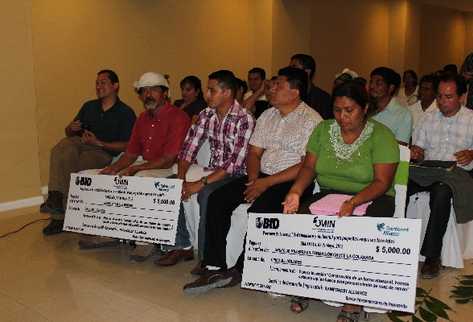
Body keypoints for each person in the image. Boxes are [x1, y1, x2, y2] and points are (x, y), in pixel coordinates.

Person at [182, 67, 322, 295]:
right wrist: (255, 180)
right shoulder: (268, 115)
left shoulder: (311, 120)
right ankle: (214, 265)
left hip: (292, 180)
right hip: (261, 175)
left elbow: (307, 165)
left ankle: (241, 269)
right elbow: (254, 153)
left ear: (295, 91)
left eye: (279, 85)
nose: (272, 89)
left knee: (262, 208)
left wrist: (266, 184)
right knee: (217, 198)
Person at [283, 80, 399, 320]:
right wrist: (295, 191)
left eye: (349, 110)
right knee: (300, 224)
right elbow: (308, 168)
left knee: (359, 233)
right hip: (329, 193)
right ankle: (308, 285)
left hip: (373, 196)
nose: (343, 117)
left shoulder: (382, 135)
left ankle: (353, 300)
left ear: (365, 108)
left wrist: (354, 202)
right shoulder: (323, 130)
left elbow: (382, 182)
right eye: (337, 110)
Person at [78, 72, 191, 259]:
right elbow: (130, 153)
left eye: (154, 90)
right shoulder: (142, 118)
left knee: (140, 178)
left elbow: (170, 158)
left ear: (165, 93)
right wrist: (113, 169)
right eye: (143, 91)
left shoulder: (178, 117)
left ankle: (144, 243)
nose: (148, 94)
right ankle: (109, 233)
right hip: (148, 163)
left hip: (171, 167)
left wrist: (136, 168)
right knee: (103, 176)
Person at [156, 70, 255, 267]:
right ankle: (181, 245)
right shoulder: (206, 114)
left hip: (237, 175)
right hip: (214, 170)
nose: (206, 95)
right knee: (168, 185)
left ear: (227, 93)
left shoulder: (244, 119)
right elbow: (188, 148)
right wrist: (181, 179)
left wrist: (198, 184)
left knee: (206, 195)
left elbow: (234, 164)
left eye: (211, 90)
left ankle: (205, 259)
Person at [41, 70, 136, 235]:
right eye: (97, 83)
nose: (99, 86)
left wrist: (98, 142)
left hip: (103, 151)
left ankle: (59, 216)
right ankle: (56, 199)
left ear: (115, 86)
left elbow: (128, 145)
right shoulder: (89, 106)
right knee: (61, 148)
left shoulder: (125, 113)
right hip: (81, 143)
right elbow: (69, 132)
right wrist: (72, 128)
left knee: (70, 161)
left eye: (103, 82)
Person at [409, 74, 473, 279]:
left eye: (449, 97)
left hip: (457, 172)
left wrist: (471, 154)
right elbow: (418, 147)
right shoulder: (428, 118)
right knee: (400, 184)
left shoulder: (471, 119)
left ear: (462, 97)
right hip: (428, 168)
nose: (443, 102)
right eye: (440, 97)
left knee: (441, 192)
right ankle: (395, 243)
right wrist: (416, 152)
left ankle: (432, 257)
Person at [369, 67, 412, 145]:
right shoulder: (365, 109)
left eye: (378, 83)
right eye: (371, 82)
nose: (372, 86)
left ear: (391, 88)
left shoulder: (403, 114)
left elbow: (399, 148)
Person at [290, 53, 332, 119]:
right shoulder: (288, 95)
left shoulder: (323, 98)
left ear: (307, 72)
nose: (289, 71)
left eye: (294, 67)